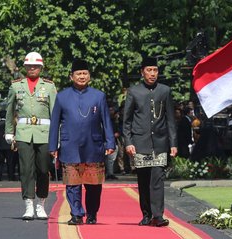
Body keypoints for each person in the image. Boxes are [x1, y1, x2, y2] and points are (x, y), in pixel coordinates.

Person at [48, 59, 115, 225]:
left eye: (85, 73)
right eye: (78, 74)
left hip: (94, 145)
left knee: (94, 184)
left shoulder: (99, 96)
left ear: (89, 76)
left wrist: (110, 142)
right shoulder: (62, 97)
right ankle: (76, 214)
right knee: (72, 183)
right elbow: (55, 122)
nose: (82, 76)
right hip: (69, 145)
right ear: (71, 76)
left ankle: (92, 213)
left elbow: (106, 121)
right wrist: (52, 146)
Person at [123, 56, 177, 227]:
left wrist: (173, 143)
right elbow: (126, 121)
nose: (152, 74)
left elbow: (170, 119)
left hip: (160, 142)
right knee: (144, 180)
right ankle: (146, 214)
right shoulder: (134, 91)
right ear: (142, 72)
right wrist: (128, 142)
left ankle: (158, 215)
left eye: (155, 70)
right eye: (149, 70)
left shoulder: (165, 91)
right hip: (140, 142)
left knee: (157, 179)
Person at [5, 52, 57, 220]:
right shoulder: (16, 86)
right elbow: (10, 111)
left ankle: (41, 203)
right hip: (23, 133)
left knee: (43, 169)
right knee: (26, 170)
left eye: (36, 66)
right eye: (29, 66)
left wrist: (57, 137)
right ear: (25, 67)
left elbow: (55, 114)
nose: (32, 68)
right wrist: (9, 131)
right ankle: (28, 203)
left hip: (44, 134)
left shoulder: (49, 86)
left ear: (41, 68)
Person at [0, 110, 16, 181]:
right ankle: (11, 177)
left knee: (0, 162)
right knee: (10, 162)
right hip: (8, 145)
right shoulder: (10, 125)